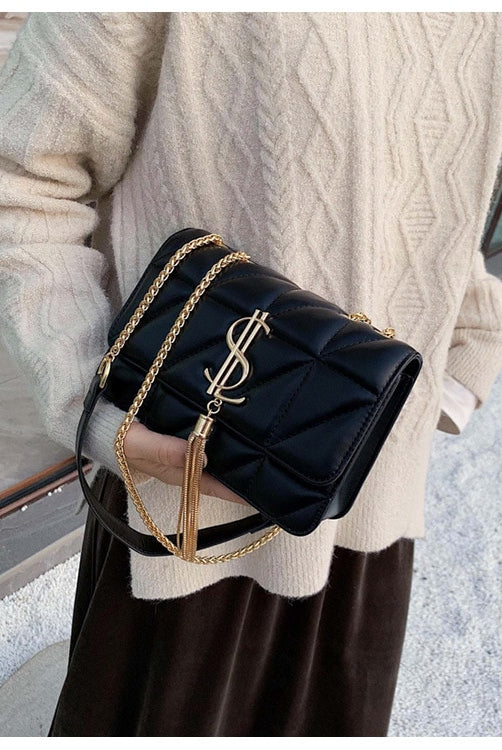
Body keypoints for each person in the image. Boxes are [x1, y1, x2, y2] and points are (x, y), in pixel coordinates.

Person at [1, 12, 502, 737]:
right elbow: (22, 178)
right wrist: (101, 409)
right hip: (188, 507)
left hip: (373, 511)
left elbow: (446, 192)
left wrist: (467, 359)